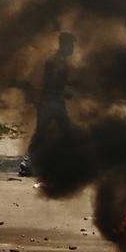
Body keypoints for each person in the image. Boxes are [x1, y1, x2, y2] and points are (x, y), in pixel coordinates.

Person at [20, 32, 76, 176]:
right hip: (51, 103)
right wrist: (64, 92)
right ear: (64, 45)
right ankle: (27, 164)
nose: (73, 48)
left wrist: (66, 89)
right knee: (47, 133)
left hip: (54, 102)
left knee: (47, 133)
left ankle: (29, 163)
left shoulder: (59, 60)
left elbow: (57, 82)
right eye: (71, 45)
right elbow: (52, 83)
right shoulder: (55, 61)